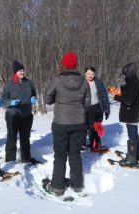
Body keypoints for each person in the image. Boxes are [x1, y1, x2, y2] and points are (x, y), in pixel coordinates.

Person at [44, 52, 91, 196]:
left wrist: (57, 100)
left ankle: (57, 186)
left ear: (64, 64)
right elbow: (87, 104)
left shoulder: (57, 80)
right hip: (78, 122)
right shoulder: (83, 81)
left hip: (61, 123)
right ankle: (77, 185)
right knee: (75, 153)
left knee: (60, 155)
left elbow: (47, 99)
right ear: (76, 65)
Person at [1, 60, 38, 164]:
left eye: (23, 70)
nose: (22, 72)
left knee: (25, 137)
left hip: (26, 114)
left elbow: (34, 94)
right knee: (12, 138)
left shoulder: (29, 82)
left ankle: (26, 158)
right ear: (15, 72)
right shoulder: (9, 84)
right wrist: (11, 102)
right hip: (13, 115)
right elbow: (3, 100)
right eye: (19, 71)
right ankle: (10, 160)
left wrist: (33, 98)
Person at [111, 62, 139, 166]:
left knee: (131, 135)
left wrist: (116, 97)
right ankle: (136, 155)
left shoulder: (132, 82)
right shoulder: (133, 80)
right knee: (134, 133)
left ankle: (132, 158)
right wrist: (119, 92)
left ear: (129, 72)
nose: (124, 75)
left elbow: (129, 100)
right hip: (134, 112)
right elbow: (130, 95)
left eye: (125, 73)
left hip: (131, 113)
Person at [84, 67, 110, 151]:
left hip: (96, 108)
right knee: (83, 128)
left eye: (92, 74)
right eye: (88, 74)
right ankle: (81, 144)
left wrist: (107, 109)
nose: (90, 76)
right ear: (85, 74)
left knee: (94, 128)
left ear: (94, 74)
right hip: (84, 109)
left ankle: (94, 145)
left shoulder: (98, 82)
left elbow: (104, 96)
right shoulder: (81, 82)